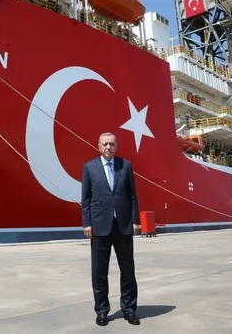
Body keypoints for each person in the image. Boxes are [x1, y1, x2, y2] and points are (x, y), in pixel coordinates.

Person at [81, 132, 141, 326]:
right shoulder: (89, 167)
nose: (108, 147)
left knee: (127, 269)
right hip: (99, 225)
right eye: (105, 144)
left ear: (116, 146)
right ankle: (102, 310)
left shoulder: (126, 165)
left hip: (123, 225)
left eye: (112, 144)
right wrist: (87, 223)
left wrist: (135, 220)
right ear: (98, 146)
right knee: (99, 271)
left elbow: (132, 196)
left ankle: (129, 309)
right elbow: (86, 199)